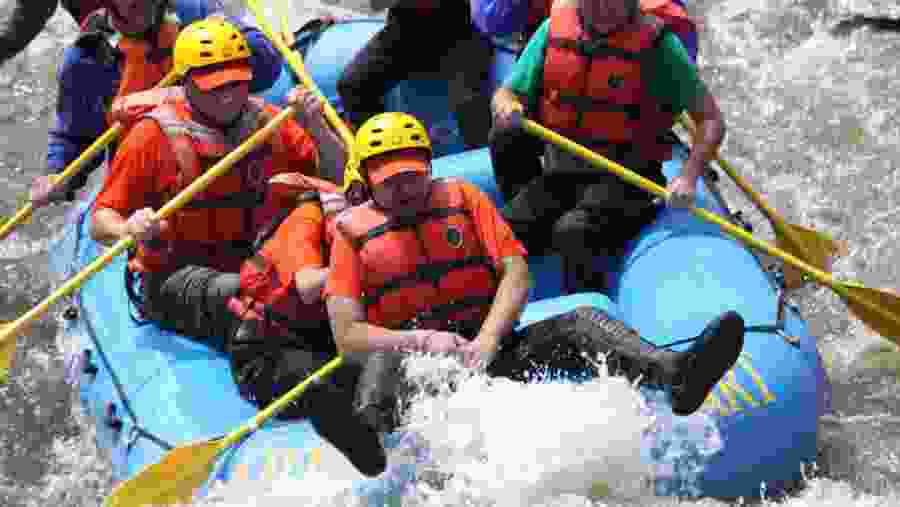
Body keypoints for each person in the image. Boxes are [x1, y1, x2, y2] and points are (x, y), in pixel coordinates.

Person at [89, 18, 386, 476]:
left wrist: (317, 127)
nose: (227, 96)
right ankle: (301, 386)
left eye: (235, 85)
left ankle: (365, 370)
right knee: (248, 301)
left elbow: (337, 178)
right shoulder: (152, 136)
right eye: (214, 87)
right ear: (187, 83)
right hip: (174, 276)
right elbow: (101, 219)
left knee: (323, 285)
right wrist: (130, 227)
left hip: (255, 257)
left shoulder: (267, 121)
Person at [324, 112, 745, 434]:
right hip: (416, 367)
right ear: (368, 181)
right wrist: (423, 341)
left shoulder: (463, 198)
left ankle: (674, 374)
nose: (404, 189)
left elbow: (516, 272)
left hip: (489, 352)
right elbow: (348, 337)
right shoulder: (350, 233)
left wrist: (488, 338)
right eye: (391, 181)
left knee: (582, 324)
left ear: (428, 168)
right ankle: (383, 467)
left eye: (412, 177)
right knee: (378, 370)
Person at [489, 0, 725, 294]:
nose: (602, 8)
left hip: (629, 179)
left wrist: (688, 177)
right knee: (504, 232)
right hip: (563, 175)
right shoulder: (554, 28)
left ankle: (590, 315)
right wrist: (507, 104)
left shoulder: (660, 46)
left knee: (574, 231)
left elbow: (711, 120)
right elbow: (506, 92)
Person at [29, 0, 283, 208]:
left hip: (228, 151)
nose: (134, 8)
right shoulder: (87, 58)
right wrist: (57, 174)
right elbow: (74, 135)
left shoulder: (190, 11)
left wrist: (226, 37)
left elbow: (266, 69)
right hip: (155, 180)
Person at [335, 0, 494, 150]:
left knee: (471, 104)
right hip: (404, 33)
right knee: (351, 85)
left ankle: (484, 161)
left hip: (459, 30)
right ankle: (380, 157)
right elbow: (377, 4)